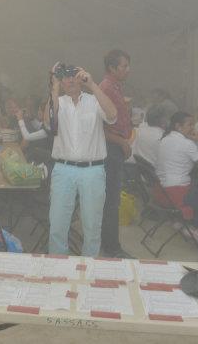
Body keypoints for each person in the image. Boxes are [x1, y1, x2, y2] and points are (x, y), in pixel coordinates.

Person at [43, 62, 117, 256]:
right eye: (64, 77)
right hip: (63, 169)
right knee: (57, 225)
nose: (69, 80)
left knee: (92, 226)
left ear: (81, 78)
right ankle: (58, 266)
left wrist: (93, 85)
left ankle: (89, 267)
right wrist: (54, 88)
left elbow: (112, 115)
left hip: (93, 170)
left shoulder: (94, 100)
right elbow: (48, 122)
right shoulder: (59, 102)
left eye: (74, 76)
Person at [99, 49, 133, 258]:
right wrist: (121, 141)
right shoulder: (106, 89)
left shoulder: (115, 87)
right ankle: (111, 247)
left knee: (112, 199)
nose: (128, 70)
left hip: (116, 147)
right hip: (111, 148)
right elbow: (100, 128)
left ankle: (110, 243)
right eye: (124, 66)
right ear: (112, 68)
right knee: (111, 200)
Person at [155, 111, 198, 221]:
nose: (193, 128)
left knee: (197, 181)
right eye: (190, 125)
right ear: (178, 126)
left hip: (161, 191)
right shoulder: (187, 144)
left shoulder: (165, 138)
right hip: (176, 193)